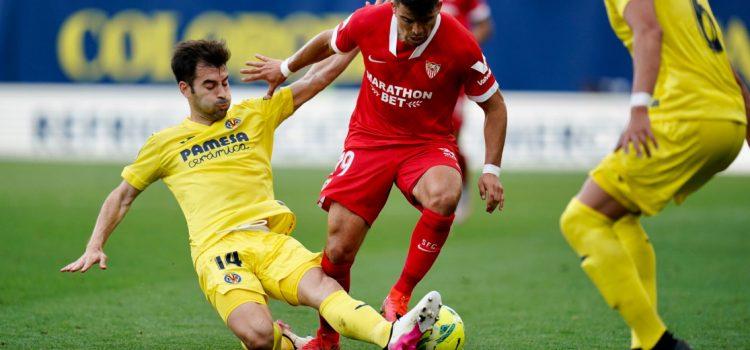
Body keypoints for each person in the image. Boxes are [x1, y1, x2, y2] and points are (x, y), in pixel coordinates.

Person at [60, 39, 443, 350]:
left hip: (270, 239)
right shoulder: (165, 144)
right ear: (186, 89)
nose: (222, 92)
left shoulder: (254, 114)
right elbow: (122, 195)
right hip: (218, 251)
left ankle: (393, 337)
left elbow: (314, 80)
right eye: (210, 86)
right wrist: (95, 244)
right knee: (258, 337)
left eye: (225, 82)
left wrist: (359, 40)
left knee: (325, 288)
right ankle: (290, 340)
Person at [243, 0, 508, 348]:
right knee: (338, 250)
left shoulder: (460, 43)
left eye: (426, 20)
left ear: (440, 7)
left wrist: (491, 169)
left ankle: (399, 296)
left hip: (426, 143)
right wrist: (286, 66)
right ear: (395, 6)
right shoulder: (370, 20)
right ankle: (326, 339)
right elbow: (329, 40)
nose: (417, 30)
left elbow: (495, 105)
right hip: (369, 141)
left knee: (446, 192)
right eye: (409, 20)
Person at [559, 0, 749, 349]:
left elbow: (649, 32)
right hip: (728, 122)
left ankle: (656, 343)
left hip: (688, 118)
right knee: (618, 216)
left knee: (581, 219)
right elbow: (727, 69)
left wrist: (638, 109)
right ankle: (643, 342)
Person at [441, 0, 493, 223]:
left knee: (451, 136)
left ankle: (459, 189)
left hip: (453, 72)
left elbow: (484, 25)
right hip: (423, 68)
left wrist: (464, 46)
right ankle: (435, 193)